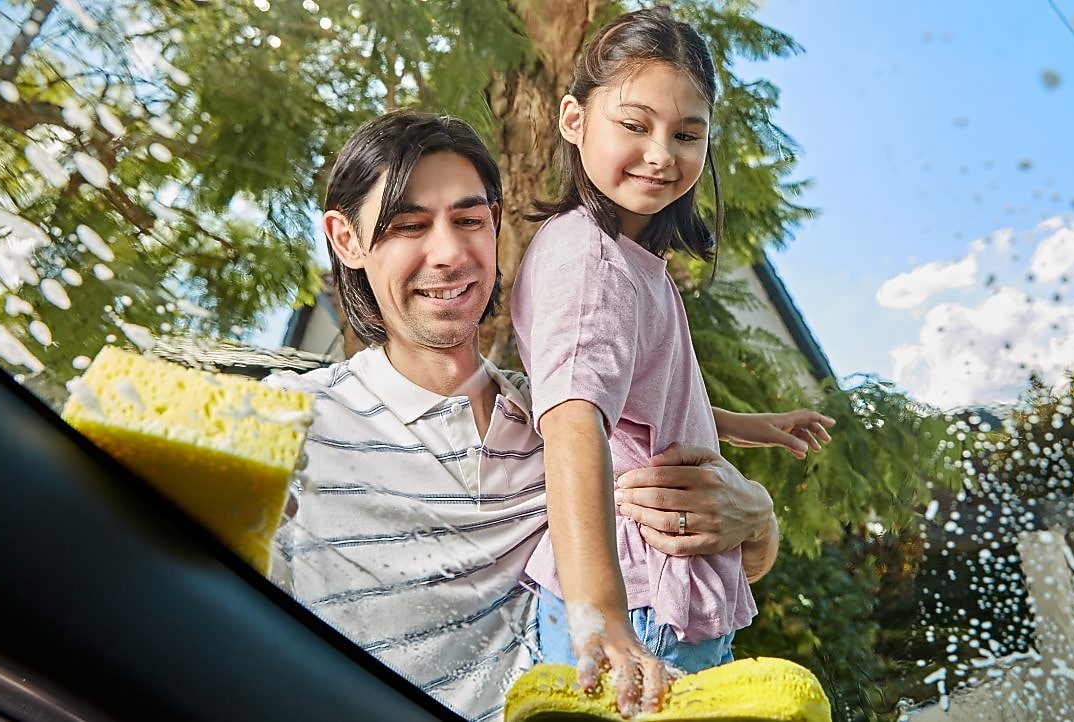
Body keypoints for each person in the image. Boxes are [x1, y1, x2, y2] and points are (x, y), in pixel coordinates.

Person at [266, 110, 782, 722]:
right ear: (346, 239)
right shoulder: (291, 421)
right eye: (408, 226)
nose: (450, 254)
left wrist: (756, 521)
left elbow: (678, 571)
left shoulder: (571, 434)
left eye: (468, 220)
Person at [511, 7, 834, 717]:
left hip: (656, 602)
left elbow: (639, 405)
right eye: (635, 124)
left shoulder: (633, 264)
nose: (662, 152)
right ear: (574, 120)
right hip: (636, 608)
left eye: (687, 134)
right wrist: (602, 616)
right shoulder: (590, 260)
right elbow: (572, 420)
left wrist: (755, 426)